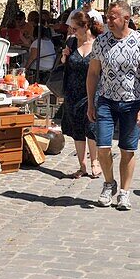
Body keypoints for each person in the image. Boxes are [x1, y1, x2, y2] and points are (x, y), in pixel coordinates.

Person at [86, 1, 140, 211]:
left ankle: (124, 192)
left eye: (112, 17)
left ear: (126, 18)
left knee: (127, 150)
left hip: (132, 103)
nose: (108, 21)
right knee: (103, 147)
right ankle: (109, 183)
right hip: (106, 100)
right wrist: (91, 102)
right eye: (107, 17)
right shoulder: (101, 42)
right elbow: (93, 73)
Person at [59, 11, 100, 178]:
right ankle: (82, 166)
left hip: (92, 92)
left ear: (86, 27)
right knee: (77, 129)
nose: (72, 31)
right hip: (72, 92)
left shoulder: (97, 44)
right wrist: (64, 56)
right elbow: (64, 65)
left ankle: (94, 162)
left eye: (75, 28)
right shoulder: (71, 42)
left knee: (91, 128)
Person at [26, 14, 57, 79]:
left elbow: (32, 58)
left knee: (22, 63)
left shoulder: (37, 42)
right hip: (51, 65)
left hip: (41, 65)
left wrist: (25, 69)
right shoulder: (50, 42)